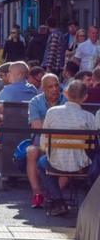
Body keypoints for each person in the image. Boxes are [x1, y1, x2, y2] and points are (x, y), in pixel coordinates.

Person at [38, 80, 96, 216]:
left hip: (55, 164)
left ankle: (58, 201)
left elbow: (43, 143)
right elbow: (94, 145)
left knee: (41, 163)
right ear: (85, 97)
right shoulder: (89, 117)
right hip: (81, 165)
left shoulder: (52, 112)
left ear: (66, 93)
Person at [27, 74, 67, 208]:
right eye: (50, 86)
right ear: (43, 89)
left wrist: (47, 122)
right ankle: (37, 192)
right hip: (41, 142)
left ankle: (53, 195)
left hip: (62, 144)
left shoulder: (67, 100)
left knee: (69, 156)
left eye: (57, 85)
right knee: (31, 151)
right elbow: (36, 127)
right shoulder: (35, 101)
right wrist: (57, 122)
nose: (55, 89)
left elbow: (69, 125)